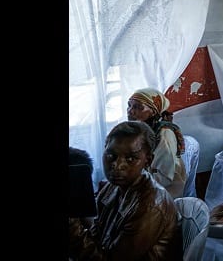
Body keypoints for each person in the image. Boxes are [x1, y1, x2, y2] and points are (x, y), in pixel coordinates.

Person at [69, 121, 183, 260]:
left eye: (130, 158)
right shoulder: (113, 187)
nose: (117, 166)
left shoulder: (150, 206)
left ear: (148, 161)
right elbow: (96, 237)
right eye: (111, 156)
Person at [127, 88, 187, 199]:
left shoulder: (164, 134)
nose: (130, 111)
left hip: (164, 193)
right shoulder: (138, 130)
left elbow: (164, 177)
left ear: (153, 111)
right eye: (129, 105)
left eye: (137, 107)